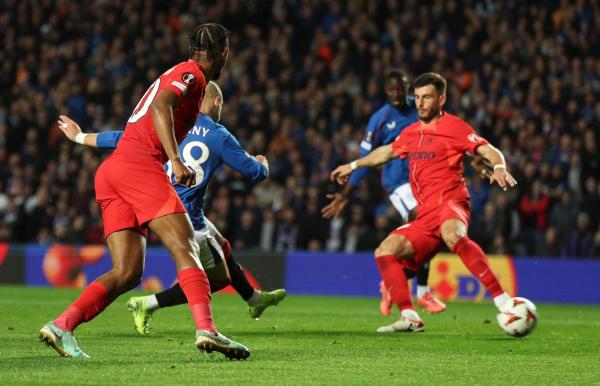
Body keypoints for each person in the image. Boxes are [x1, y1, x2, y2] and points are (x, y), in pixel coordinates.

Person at [39, 23, 251, 360]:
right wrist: (175, 159)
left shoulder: (178, 74)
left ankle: (62, 325)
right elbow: (159, 107)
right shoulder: (192, 74)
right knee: (185, 247)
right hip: (139, 168)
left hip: (113, 170)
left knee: (127, 272)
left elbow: (135, 129)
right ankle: (207, 329)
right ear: (223, 52)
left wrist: (81, 138)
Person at [57, 81, 287, 335]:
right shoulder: (218, 134)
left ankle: (254, 299)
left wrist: (78, 137)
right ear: (216, 102)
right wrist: (262, 163)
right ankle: (150, 304)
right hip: (184, 215)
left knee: (221, 244)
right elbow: (255, 173)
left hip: (151, 202)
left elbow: (120, 138)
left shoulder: (172, 125)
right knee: (220, 278)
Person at [331, 72, 517, 333]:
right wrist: (353, 165)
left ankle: (504, 301)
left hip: (451, 203)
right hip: (426, 214)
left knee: (453, 234)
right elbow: (386, 152)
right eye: (417, 97)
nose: (420, 103)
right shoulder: (411, 133)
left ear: (441, 99)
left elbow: (488, 150)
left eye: (427, 97)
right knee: (385, 250)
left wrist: (498, 166)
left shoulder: (455, 127)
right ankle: (410, 316)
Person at [322, 70, 446, 315]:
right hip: (398, 181)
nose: (396, 93)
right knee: (422, 218)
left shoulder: (420, 108)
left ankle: (396, 282)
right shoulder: (380, 119)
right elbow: (364, 158)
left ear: (407, 87)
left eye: (400, 88)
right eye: (391, 90)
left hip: (425, 179)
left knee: (434, 232)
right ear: (385, 92)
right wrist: (345, 195)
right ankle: (422, 292)